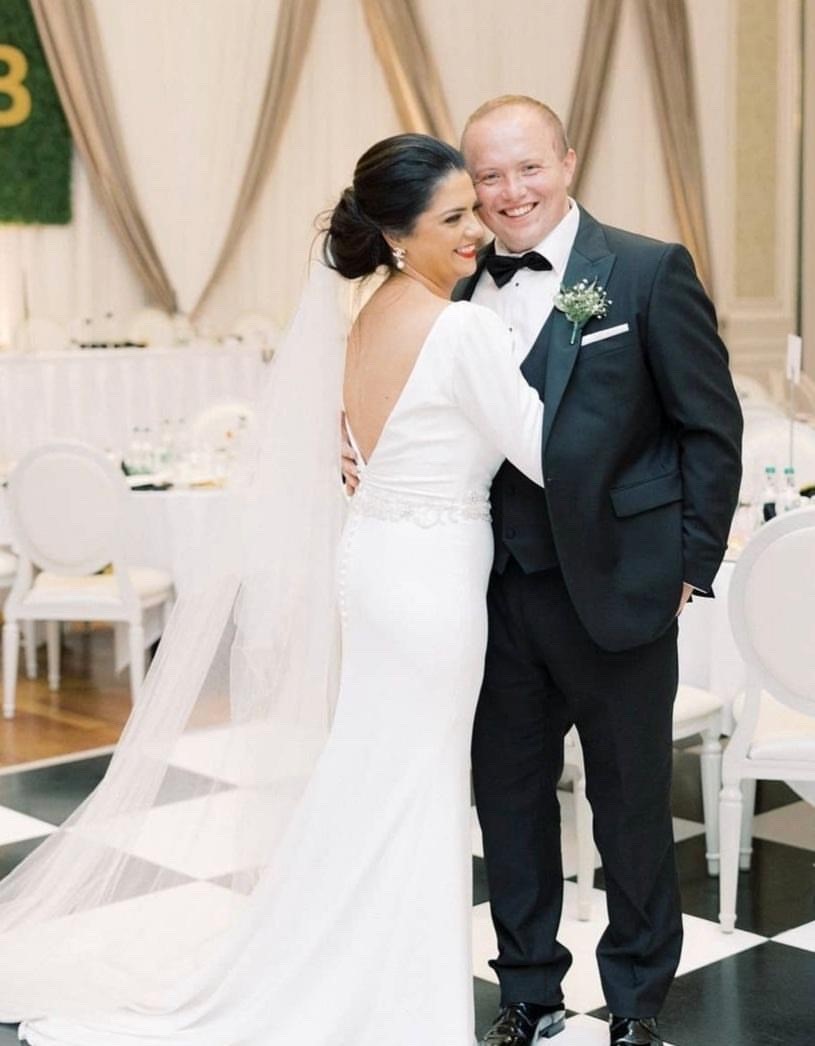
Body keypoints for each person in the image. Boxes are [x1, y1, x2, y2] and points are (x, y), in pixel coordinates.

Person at [0, 134, 548, 1046]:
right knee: (411, 781)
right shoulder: (459, 325)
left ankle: (370, 976)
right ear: (397, 234)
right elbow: (539, 450)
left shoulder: (373, 312)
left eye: (471, 211)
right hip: (429, 579)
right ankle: (396, 1004)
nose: (476, 229)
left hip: (377, 567)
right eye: (451, 218)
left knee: (380, 772)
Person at [457, 97, 742, 1046]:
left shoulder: (647, 271)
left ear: (567, 162)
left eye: (526, 168)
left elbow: (710, 427)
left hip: (621, 587)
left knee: (628, 808)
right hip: (492, 596)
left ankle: (632, 1003)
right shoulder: (456, 290)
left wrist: (688, 564)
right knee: (508, 804)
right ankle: (527, 990)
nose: (508, 193)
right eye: (489, 176)